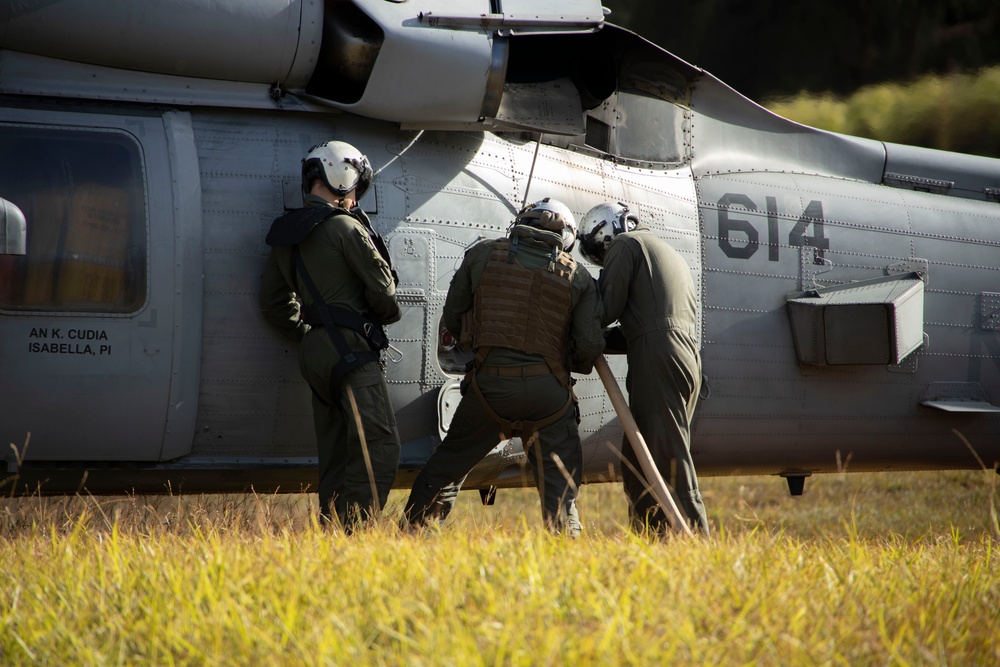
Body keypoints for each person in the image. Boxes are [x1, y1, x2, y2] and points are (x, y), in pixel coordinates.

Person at [402, 198, 605, 536]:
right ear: (566, 239)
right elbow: (588, 348)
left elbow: (452, 317)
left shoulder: (483, 255)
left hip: (489, 389)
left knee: (447, 468)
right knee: (561, 491)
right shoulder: (578, 275)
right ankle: (566, 548)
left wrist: (479, 350)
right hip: (549, 397)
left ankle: (414, 536)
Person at [259, 140, 401, 532]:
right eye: (356, 188)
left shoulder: (286, 234)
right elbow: (386, 297)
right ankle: (354, 534)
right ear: (343, 179)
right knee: (380, 447)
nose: (355, 198)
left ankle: (331, 532)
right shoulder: (345, 228)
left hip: (316, 354)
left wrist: (309, 335)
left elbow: (273, 304)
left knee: (335, 453)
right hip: (352, 350)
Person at [578, 201, 709, 535]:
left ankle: (696, 546)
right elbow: (640, 325)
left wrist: (576, 305)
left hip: (657, 357)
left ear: (605, 235)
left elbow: (604, 310)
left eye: (599, 256)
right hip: (681, 355)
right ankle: (652, 543)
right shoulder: (663, 251)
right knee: (640, 458)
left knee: (667, 458)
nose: (602, 263)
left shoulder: (625, 244)